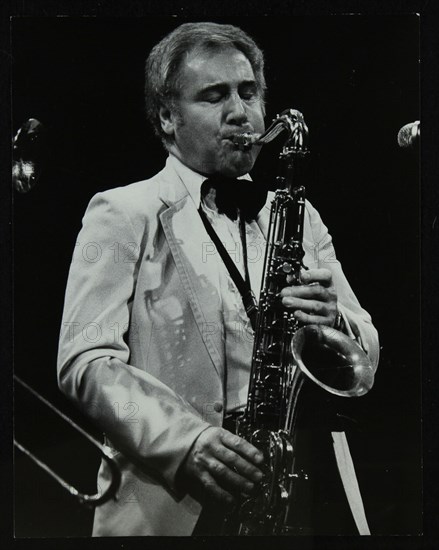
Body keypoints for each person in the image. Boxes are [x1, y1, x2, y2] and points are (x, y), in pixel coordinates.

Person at [57, 21, 379, 536]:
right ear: (166, 116)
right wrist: (187, 442)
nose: (240, 112)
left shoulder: (298, 215)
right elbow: (85, 360)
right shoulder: (123, 211)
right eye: (214, 96)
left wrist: (333, 318)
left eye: (249, 93)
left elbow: (366, 347)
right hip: (177, 495)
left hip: (295, 479)